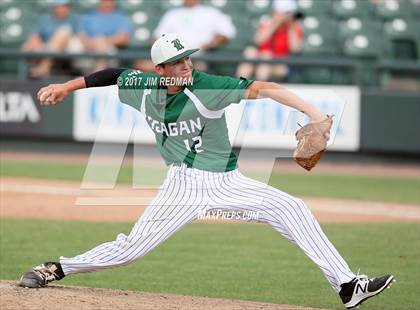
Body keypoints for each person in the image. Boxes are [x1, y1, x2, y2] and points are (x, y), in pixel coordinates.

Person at [19, 33, 394, 310]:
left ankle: (348, 286)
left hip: (226, 182)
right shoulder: (145, 85)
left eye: (188, 59)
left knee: (292, 208)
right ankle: (57, 267)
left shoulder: (207, 86)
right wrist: (67, 86)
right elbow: (114, 74)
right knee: (129, 251)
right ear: (160, 69)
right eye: (178, 62)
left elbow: (266, 88)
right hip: (181, 186)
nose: (187, 66)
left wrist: (314, 115)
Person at [134, 0, 235, 72]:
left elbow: (227, 33)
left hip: (199, 56)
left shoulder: (210, 12)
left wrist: (211, 44)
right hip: (172, 55)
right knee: (142, 65)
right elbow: (157, 37)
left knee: (191, 68)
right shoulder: (172, 14)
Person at [237, 0, 304, 81]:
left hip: (280, 64)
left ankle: (258, 89)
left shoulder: (294, 28)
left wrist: (290, 26)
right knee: (250, 52)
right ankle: (239, 86)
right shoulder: (267, 24)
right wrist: (275, 23)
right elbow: (258, 41)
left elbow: (295, 49)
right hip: (261, 59)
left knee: (266, 58)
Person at [21, 0, 79, 78]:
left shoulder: (75, 19)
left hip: (70, 47)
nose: (60, 9)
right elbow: (34, 36)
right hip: (49, 47)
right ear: (54, 8)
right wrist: (38, 46)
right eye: (58, 7)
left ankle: (43, 68)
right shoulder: (45, 19)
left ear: (68, 8)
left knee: (63, 33)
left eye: (63, 7)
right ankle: (35, 73)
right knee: (27, 46)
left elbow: (80, 37)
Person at [76, 0, 131, 73]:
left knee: (101, 43)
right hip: (87, 49)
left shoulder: (121, 17)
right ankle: (94, 78)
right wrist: (92, 43)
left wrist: (103, 41)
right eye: (105, 1)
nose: (107, 3)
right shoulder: (89, 16)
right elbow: (81, 34)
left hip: (110, 51)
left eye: (109, 1)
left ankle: (95, 78)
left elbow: (123, 38)